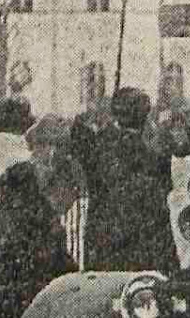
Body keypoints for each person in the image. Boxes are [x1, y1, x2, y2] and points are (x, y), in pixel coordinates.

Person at [70, 86, 173, 272]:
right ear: (144, 118)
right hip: (144, 251)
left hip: (105, 246)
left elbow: (77, 137)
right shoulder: (154, 157)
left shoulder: (99, 148)